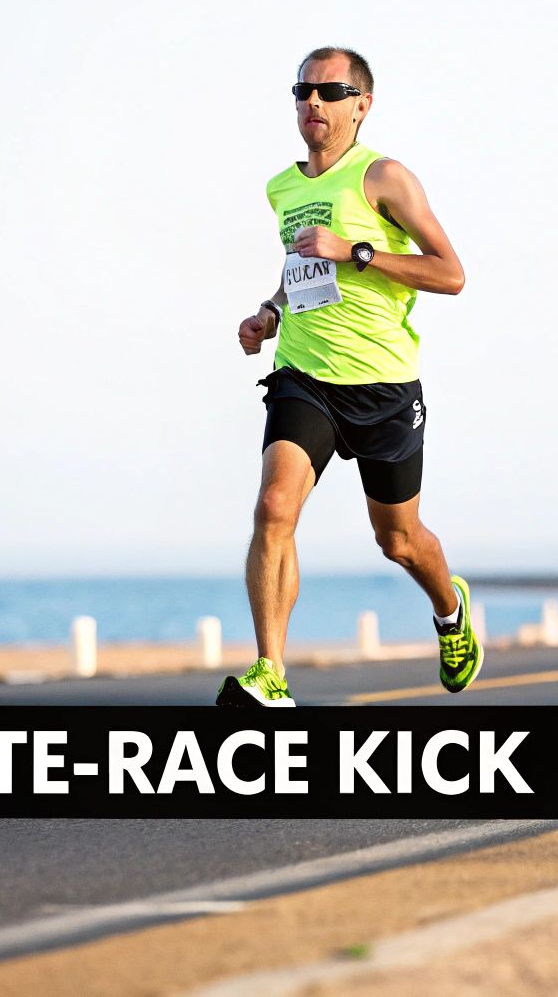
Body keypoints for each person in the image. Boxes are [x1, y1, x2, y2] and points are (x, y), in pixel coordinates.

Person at [221, 46, 479, 707]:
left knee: (398, 540)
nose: (314, 103)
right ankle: (271, 673)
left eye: (330, 92)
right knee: (274, 507)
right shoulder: (284, 187)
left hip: (383, 385)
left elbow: (450, 273)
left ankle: (450, 612)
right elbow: (301, 268)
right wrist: (269, 312)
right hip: (304, 375)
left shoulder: (385, 178)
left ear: (362, 104)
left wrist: (358, 250)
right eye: (303, 90)